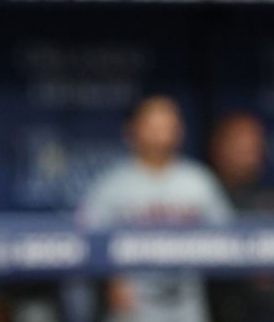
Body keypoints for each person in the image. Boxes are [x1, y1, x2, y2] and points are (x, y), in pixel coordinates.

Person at [80, 96, 232, 322]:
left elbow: (231, 238)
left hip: (186, 305)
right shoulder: (111, 184)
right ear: (133, 130)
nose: (161, 133)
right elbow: (81, 241)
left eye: (168, 124)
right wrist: (110, 278)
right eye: (153, 125)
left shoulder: (199, 180)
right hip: (132, 307)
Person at [207, 112, 274, 322]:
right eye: (240, 143)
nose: (250, 152)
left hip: (270, 310)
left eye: (255, 144)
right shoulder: (201, 194)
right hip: (216, 306)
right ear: (217, 146)